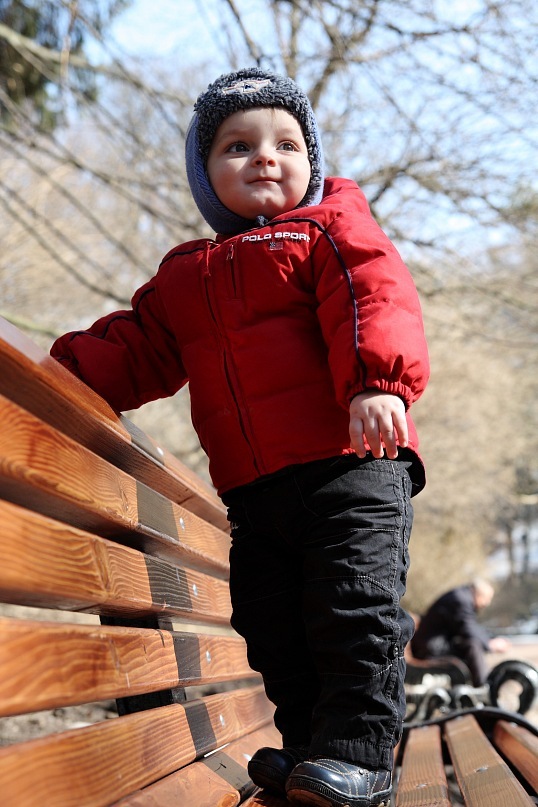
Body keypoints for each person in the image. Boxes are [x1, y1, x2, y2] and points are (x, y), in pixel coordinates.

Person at [50, 67, 430, 807]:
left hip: (351, 467)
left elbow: (373, 294)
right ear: (205, 175)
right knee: (272, 621)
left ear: (311, 162)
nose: (264, 157)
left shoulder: (330, 229)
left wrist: (378, 380)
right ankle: (311, 750)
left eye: (287, 144)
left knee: (353, 609)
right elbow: (132, 351)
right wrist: (57, 371)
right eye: (237, 146)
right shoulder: (186, 277)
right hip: (256, 497)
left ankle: (360, 756)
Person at [411, 579, 511, 687]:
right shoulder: (461, 600)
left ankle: (480, 685)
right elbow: (467, 629)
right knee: (472, 645)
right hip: (430, 648)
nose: (487, 603)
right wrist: (490, 644)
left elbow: (471, 627)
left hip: (435, 645)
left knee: (471, 644)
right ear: (479, 594)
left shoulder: (462, 596)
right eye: (487, 599)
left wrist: (490, 640)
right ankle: (483, 686)